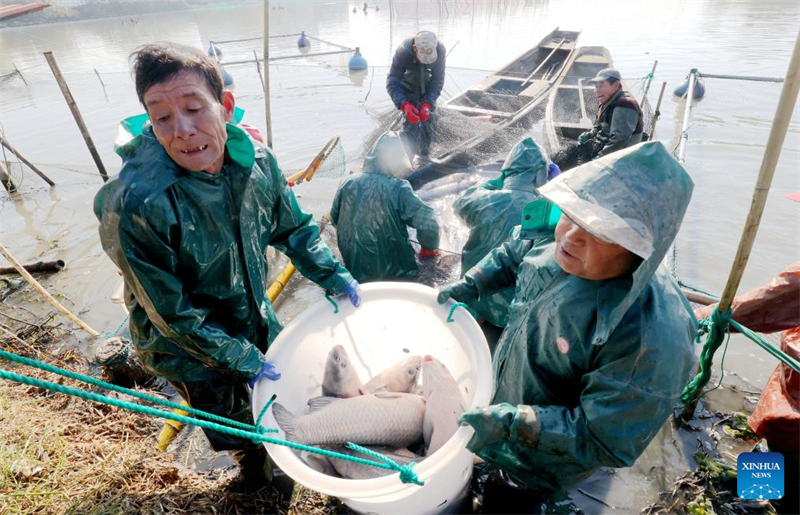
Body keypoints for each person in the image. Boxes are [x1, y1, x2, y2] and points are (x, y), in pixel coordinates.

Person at [94, 43, 359, 488]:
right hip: (181, 341)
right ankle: (252, 471)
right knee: (228, 418)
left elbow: (292, 229)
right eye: (161, 117)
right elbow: (172, 313)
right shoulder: (135, 204)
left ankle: (279, 456)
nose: (182, 131)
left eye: (195, 109)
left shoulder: (258, 162)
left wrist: (335, 276)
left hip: (249, 309)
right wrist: (242, 357)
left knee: (282, 396)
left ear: (226, 105)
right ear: (149, 119)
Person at [438, 142, 697, 509]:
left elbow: (605, 437)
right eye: (573, 212)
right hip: (511, 392)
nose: (573, 235)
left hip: (544, 455)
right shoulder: (559, 236)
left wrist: (517, 423)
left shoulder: (650, 337)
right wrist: (475, 281)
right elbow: (517, 250)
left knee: (514, 497)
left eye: (603, 232)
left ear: (641, 249)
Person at [694, 263, 799, 515]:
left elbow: (766, 304)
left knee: (774, 478)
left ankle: (757, 502)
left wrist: (699, 319)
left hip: (791, 419)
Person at [452, 137, 558, 328]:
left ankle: (477, 314)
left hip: (471, 291)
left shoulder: (481, 198)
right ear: (541, 174)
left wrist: (490, 185)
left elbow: (459, 204)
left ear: (507, 172)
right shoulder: (546, 210)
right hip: (510, 310)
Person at [331, 131, 441, 283]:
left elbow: (335, 219)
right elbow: (428, 222)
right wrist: (428, 248)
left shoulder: (347, 183)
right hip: (395, 271)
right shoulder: (399, 187)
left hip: (354, 266)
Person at [557, 68, 644, 170]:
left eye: (601, 85)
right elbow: (598, 125)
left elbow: (619, 140)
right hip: (603, 148)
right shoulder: (606, 101)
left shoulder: (625, 104)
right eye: (596, 86)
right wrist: (591, 134)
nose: (596, 90)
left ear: (616, 85)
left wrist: (598, 161)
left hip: (621, 159)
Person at [386, 30, 446, 159]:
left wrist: (427, 104)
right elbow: (392, 81)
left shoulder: (440, 50)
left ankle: (424, 156)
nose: (425, 61)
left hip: (428, 87)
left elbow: (437, 81)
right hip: (408, 88)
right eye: (422, 58)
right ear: (414, 48)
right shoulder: (403, 51)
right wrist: (404, 105)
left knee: (429, 120)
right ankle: (408, 159)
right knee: (410, 127)